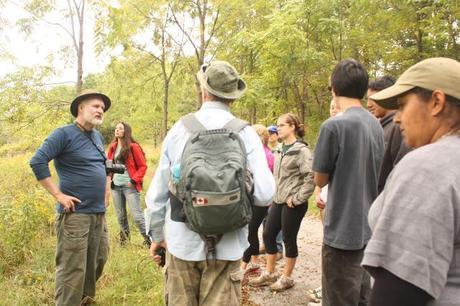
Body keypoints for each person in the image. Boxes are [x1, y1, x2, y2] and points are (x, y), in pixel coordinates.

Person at [145, 60, 276, 305]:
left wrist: (156, 236)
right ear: (232, 98)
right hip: (228, 247)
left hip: (182, 243)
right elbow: (265, 194)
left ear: (204, 91)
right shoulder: (245, 133)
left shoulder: (179, 130)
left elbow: (157, 194)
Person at [362, 57, 460, 306]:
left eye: (403, 105)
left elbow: (399, 289)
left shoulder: (428, 167)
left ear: (436, 102)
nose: (396, 118)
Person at [312, 59, 384, 306]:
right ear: (364, 90)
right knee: (363, 297)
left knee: (338, 299)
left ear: (334, 88)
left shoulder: (333, 126)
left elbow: (320, 178)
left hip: (342, 230)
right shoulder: (375, 124)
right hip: (370, 227)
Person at [29, 90, 111, 306]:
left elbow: (103, 167)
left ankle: (84, 301)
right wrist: (58, 195)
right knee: (72, 269)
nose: (100, 110)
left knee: (98, 260)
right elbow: (37, 161)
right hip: (76, 215)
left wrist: (106, 190)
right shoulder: (63, 134)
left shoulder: (97, 136)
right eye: (95, 106)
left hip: (98, 213)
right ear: (80, 108)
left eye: (102, 108)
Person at [250, 113, 315, 291]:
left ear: (292, 127)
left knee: (288, 238)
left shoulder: (301, 150)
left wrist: (297, 198)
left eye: (282, 125)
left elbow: (310, 176)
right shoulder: (278, 148)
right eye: (277, 125)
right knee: (268, 234)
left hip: (293, 203)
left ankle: (287, 277)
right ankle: (270, 274)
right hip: (278, 200)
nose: (278, 128)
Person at [107, 122, 149, 247]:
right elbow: (108, 165)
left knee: (137, 216)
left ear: (126, 132)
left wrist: (133, 181)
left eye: (120, 128)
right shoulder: (113, 147)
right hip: (116, 186)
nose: (117, 130)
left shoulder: (133, 147)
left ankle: (150, 241)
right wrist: (109, 180)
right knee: (121, 217)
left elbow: (143, 166)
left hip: (129, 186)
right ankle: (124, 243)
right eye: (116, 128)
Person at [239, 124, 274, 273]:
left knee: (250, 231)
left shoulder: (267, 155)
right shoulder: (253, 153)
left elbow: (266, 178)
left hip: (261, 198)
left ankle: (242, 266)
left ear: (262, 138)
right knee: (251, 231)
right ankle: (254, 262)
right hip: (252, 197)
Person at [367, 76, 411, 192]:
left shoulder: (398, 127)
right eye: (367, 100)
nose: (368, 105)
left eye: (373, 99)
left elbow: (401, 170)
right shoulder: (381, 127)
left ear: (387, 97)